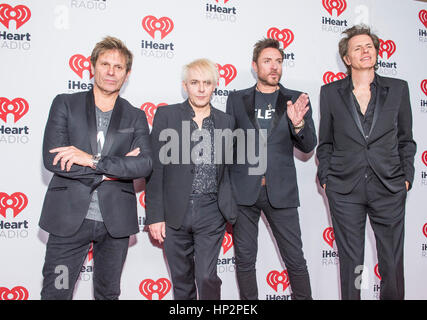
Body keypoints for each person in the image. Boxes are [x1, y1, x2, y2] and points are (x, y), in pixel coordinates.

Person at [39, 36, 152, 300]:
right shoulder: (66, 104)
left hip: (116, 223)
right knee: (57, 291)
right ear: (92, 66)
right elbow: (52, 158)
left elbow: (144, 164)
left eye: (119, 67)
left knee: (108, 294)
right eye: (105, 64)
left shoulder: (135, 115)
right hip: (68, 220)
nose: (111, 72)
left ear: (127, 73)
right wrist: (117, 168)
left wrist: (91, 160)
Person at [316, 25, 416, 300]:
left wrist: (406, 177)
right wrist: (327, 179)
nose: (365, 51)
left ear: (377, 52)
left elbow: (407, 140)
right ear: (347, 59)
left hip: (390, 186)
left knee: (392, 262)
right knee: (352, 263)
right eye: (357, 48)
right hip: (344, 190)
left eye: (369, 46)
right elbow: (325, 143)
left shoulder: (398, 89)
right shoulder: (330, 93)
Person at [226, 38, 316, 300]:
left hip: (282, 192)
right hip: (244, 193)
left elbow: (309, 145)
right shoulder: (236, 99)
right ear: (255, 66)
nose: (274, 66)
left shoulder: (295, 99)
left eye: (278, 61)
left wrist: (298, 124)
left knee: (295, 260)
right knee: (244, 261)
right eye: (267, 61)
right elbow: (229, 146)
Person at [145, 58, 237, 300]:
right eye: (195, 82)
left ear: (214, 86)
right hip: (175, 211)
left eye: (207, 83)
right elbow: (156, 169)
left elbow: (229, 169)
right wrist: (155, 216)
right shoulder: (167, 115)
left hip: (211, 210)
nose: (201, 88)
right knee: (182, 281)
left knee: (206, 277)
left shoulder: (226, 121)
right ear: (185, 86)